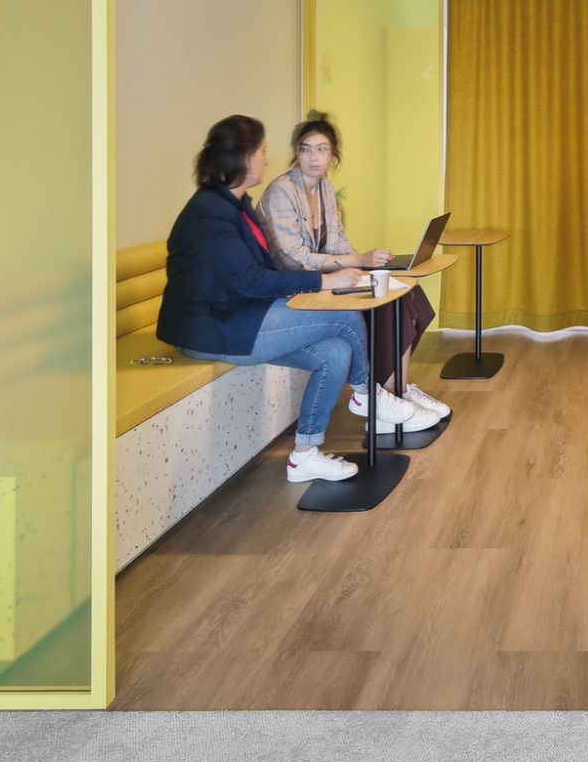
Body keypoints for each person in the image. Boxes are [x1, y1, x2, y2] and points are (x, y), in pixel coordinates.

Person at [155, 115, 434, 487]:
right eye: (262, 151)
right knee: (345, 319)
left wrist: (340, 273)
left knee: (336, 351)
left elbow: (255, 273)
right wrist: (324, 281)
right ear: (242, 158)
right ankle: (367, 394)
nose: (267, 159)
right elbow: (253, 279)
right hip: (210, 329)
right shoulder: (210, 213)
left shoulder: (234, 204)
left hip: (238, 314)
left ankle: (305, 454)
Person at [260, 116, 451, 424]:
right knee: (381, 307)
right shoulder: (282, 191)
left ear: (333, 155)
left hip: (324, 280)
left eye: (321, 149)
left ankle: (399, 391)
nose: (313, 157)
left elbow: (338, 241)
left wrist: (368, 263)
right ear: (296, 152)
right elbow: (293, 258)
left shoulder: (324, 187)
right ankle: (385, 403)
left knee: (405, 296)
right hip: (295, 288)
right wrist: (357, 260)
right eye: (306, 149)